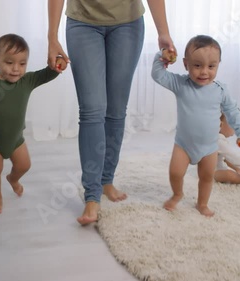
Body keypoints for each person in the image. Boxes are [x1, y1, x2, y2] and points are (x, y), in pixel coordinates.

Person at [47, 0, 176, 225]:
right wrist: (52, 37)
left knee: (116, 110)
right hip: (82, 23)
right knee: (91, 110)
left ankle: (106, 180)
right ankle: (92, 195)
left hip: (128, 24)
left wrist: (163, 32)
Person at [151, 35, 240, 217]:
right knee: (175, 172)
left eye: (211, 66)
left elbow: (232, 111)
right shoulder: (181, 84)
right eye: (197, 65)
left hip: (209, 146)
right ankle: (177, 194)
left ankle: (202, 204)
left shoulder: (220, 89)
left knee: (206, 177)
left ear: (218, 64)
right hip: (184, 145)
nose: (204, 72)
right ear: (186, 64)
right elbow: (158, 75)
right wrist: (161, 56)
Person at [0, 34, 67, 214]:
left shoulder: (27, 81)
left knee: (24, 166)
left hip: (16, 140)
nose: (16, 69)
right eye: (9, 62)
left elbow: (47, 74)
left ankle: (13, 179)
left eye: (22, 64)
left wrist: (58, 65)